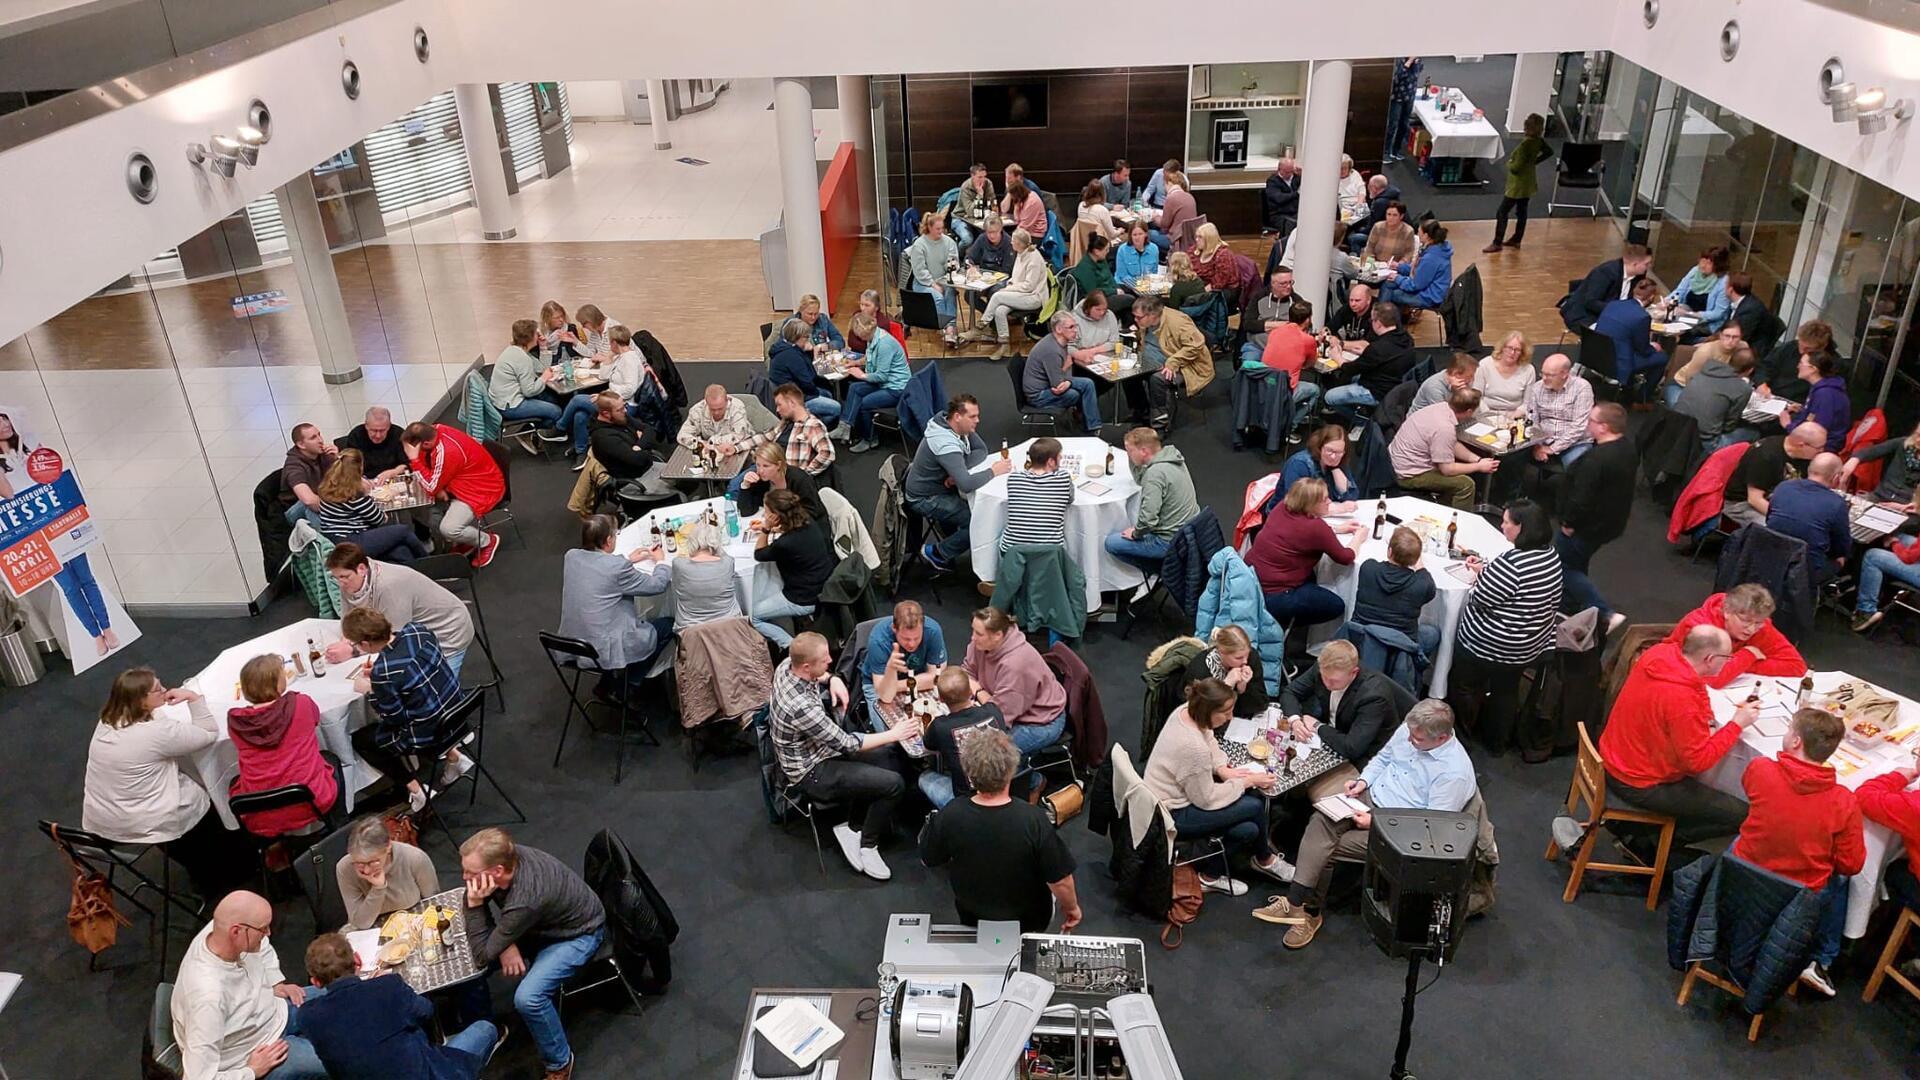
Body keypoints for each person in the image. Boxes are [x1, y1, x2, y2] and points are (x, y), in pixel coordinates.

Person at [1252, 700, 1475, 947]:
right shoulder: (1413, 728)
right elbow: (1384, 758)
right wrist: (1363, 782)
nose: (1410, 740)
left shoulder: (1453, 774)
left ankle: (1309, 914)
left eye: (1418, 740)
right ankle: (1295, 903)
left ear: (1442, 738)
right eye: (1410, 734)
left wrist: (1376, 822)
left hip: (1400, 830)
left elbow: (1430, 826)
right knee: (1321, 818)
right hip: (1371, 797)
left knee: (1328, 849)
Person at [84, 667, 254, 900]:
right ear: (141, 702)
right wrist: (193, 699)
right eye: (157, 690)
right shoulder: (156, 732)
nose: (164, 690)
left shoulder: (107, 721)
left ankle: (203, 871)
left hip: (110, 820)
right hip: (155, 819)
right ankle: (232, 873)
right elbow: (207, 733)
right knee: (203, 798)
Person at [1731, 707, 1862, 997]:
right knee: (1842, 880)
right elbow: (1851, 864)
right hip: (1797, 893)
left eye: (1790, 728)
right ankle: (1821, 959)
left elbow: (1753, 795)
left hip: (1744, 872)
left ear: (1796, 741)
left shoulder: (1760, 769)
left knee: (1740, 837)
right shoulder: (1844, 801)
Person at [459, 827, 608, 1080]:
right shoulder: (508, 859)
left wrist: (476, 906)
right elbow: (488, 944)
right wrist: (507, 942)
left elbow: (483, 953)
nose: (464, 877)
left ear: (496, 871)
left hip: (577, 934)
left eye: (471, 873)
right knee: (470, 956)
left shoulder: (526, 897)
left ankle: (560, 1062)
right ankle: (485, 1030)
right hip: (538, 925)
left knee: (528, 997)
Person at [770, 632, 919, 879]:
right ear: (807, 666)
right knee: (894, 784)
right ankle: (867, 844)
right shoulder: (801, 708)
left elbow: (822, 676)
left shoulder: (788, 665)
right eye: (824, 659)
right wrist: (896, 732)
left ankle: (853, 826)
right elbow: (848, 744)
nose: (831, 660)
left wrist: (832, 680)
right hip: (811, 772)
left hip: (823, 749)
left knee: (892, 758)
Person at [1598, 624, 1757, 845]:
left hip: (1616, 757)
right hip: (1640, 782)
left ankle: (1640, 833)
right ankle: (1647, 844)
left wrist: (1706, 717)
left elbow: (1697, 687)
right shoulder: (1681, 700)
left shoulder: (1660, 655)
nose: (1729, 661)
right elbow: (1698, 762)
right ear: (1710, 659)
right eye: (1727, 658)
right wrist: (1737, 725)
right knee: (1745, 814)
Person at [920, 728, 1081, 932]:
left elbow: (929, 858)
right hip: (1028, 919)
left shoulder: (950, 814)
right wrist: (1072, 908)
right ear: (1011, 770)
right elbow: (1060, 880)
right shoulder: (1033, 820)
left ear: (969, 772)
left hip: (972, 914)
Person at [1141, 677, 1291, 894]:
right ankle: (1264, 858)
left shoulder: (1186, 711)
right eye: (1226, 712)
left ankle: (1210, 875)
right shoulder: (1193, 749)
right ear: (1209, 710)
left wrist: (1222, 768)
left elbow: (1209, 737)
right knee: (1256, 805)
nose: (1230, 717)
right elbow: (1206, 799)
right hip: (1172, 812)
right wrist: (1245, 781)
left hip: (1163, 797)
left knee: (1248, 830)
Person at [295, 933, 498, 1080]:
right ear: (357, 959)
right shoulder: (387, 987)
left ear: (316, 982)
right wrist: (384, 986)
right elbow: (426, 1010)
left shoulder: (308, 1017)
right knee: (485, 1029)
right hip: (428, 1072)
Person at [172, 890, 330, 1080]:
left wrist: (276, 982)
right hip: (254, 1050)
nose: (268, 934)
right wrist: (251, 1071)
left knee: (348, 996)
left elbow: (262, 947)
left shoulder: (221, 929)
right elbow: (197, 1077)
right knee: (341, 1060)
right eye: (263, 929)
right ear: (236, 931)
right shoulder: (208, 998)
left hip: (274, 1010)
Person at [1447, 501, 1564, 756]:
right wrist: (1488, 573)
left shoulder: (1512, 563)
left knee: (1464, 684)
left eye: (1507, 522)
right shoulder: (1550, 555)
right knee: (1506, 691)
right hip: (1528, 645)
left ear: (1521, 528)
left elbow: (1480, 598)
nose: (1502, 525)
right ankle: (1496, 741)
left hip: (1490, 644)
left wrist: (1480, 577)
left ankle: (1462, 732)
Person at [341, 607, 468, 814]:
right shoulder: (417, 631)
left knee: (364, 740)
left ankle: (417, 790)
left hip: (432, 730)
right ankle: (454, 756)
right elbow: (417, 669)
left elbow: (394, 718)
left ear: (364, 644)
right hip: (457, 710)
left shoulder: (384, 672)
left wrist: (371, 690)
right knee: (423, 705)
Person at [558, 513, 673, 700]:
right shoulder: (617, 568)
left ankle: (607, 683)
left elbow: (599, 572)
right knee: (669, 625)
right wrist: (661, 561)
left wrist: (626, 560)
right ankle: (629, 685)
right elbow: (657, 585)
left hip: (574, 643)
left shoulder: (571, 557)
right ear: (609, 540)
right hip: (603, 647)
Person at [226, 654, 339, 837]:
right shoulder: (301, 703)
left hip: (260, 811)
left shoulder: (236, 722)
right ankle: (340, 822)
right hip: (312, 800)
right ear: (279, 684)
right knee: (331, 759)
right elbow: (315, 719)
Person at [1248, 478, 1366, 653]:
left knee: (1313, 578)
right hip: (1277, 594)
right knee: (1336, 606)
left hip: (1252, 579)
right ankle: (1275, 624)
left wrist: (1337, 529)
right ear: (1310, 504)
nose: (1329, 502)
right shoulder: (1315, 528)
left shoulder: (1282, 508)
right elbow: (1345, 557)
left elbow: (1300, 533)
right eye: (1324, 500)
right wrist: (1359, 537)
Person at [323, 543, 474, 676]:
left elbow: (392, 640)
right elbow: (348, 620)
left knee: (433, 695)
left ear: (361, 569)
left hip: (447, 632)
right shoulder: (349, 579)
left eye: (344, 577)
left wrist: (352, 651)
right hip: (415, 632)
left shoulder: (389, 586)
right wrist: (347, 641)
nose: (340, 583)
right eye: (336, 578)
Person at [906, 395, 1010, 571]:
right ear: (957, 417)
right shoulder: (945, 443)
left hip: (937, 488)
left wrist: (957, 470)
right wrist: (994, 471)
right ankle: (938, 553)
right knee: (978, 520)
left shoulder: (952, 425)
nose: (977, 421)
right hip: (925, 498)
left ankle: (950, 542)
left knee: (977, 510)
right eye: (972, 417)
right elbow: (967, 484)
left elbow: (981, 450)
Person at [1555, 403, 1638, 627]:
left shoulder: (1596, 460)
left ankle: (1604, 612)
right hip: (1608, 523)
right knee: (1577, 562)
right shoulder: (1627, 448)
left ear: (1603, 427)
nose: (1587, 424)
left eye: (1591, 420)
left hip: (1584, 526)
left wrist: (1568, 522)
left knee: (1563, 566)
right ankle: (1568, 607)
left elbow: (1581, 497)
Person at [1277, 639, 1404, 776]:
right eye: (1324, 677)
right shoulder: (1323, 669)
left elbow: (1352, 748)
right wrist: (1295, 720)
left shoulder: (1374, 696)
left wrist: (1317, 726)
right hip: (1334, 735)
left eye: (1334, 681)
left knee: (1298, 772)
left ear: (1354, 673)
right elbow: (1290, 692)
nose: (1327, 684)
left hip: (1367, 757)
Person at [963, 607, 1069, 764]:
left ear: (997, 635)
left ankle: (1033, 782)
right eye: (973, 631)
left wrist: (978, 690)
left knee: (991, 755)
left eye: (979, 634)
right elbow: (966, 672)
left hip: (1041, 721)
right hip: (1009, 708)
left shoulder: (1015, 665)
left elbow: (998, 717)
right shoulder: (980, 644)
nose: (973, 638)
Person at [400, 421, 504, 567]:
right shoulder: (435, 430)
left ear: (426, 444)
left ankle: (486, 541)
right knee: (417, 507)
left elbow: (431, 487)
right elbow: (433, 481)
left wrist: (414, 460)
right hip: (460, 483)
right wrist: (438, 485)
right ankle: (463, 539)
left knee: (449, 529)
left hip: (480, 491)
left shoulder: (447, 451)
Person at [1663, 584, 1808, 688]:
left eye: (1758, 623)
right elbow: (1713, 678)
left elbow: (1796, 666)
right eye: (1745, 621)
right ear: (1727, 611)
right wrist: (1748, 655)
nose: (1751, 629)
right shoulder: (1702, 629)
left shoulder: (1761, 626)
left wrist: (1738, 665)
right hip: (1671, 679)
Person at [1104, 426, 1200, 574]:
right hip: (1189, 530)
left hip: (1169, 540)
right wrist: (1132, 456)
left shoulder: (1154, 474)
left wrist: (1135, 533)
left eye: (1130, 451)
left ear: (1143, 451)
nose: (1128, 454)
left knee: (1111, 543)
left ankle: (1157, 571)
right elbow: (1140, 479)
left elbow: (1148, 520)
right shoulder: (1172, 457)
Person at [489, 319, 595, 455]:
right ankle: (535, 432)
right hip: (511, 405)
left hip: (503, 399)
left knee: (551, 398)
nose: (539, 334)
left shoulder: (515, 351)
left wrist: (543, 347)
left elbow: (541, 368)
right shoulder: (522, 358)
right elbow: (529, 391)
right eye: (536, 333)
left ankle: (537, 430)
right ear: (531, 337)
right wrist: (544, 378)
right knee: (555, 411)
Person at [746, 489, 836, 645]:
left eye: (767, 513)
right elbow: (789, 529)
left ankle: (790, 645)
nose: (764, 516)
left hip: (802, 598)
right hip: (821, 584)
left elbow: (759, 554)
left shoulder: (786, 544)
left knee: (754, 616)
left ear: (776, 516)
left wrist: (766, 529)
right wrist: (771, 527)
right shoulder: (807, 521)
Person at [1388, 387, 1498, 509]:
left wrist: (1476, 460)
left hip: (1399, 461)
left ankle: (1443, 506)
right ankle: (1459, 521)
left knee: (1463, 468)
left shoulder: (1440, 408)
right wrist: (1478, 467)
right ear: (1469, 411)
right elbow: (1447, 470)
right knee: (1466, 484)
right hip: (1408, 474)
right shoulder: (1444, 428)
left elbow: (1450, 444)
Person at [918, 667, 1011, 808]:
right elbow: (990, 702)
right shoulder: (993, 711)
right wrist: (979, 691)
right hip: (1002, 790)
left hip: (967, 802)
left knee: (924, 777)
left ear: (941, 699)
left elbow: (927, 747)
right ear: (970, 692)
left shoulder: (940, 726)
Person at [313, 450, 429, 563]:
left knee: (402, 551)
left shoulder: (328, 485)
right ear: (359, 468)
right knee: (404, 530)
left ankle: (419, 572)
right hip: (352, 540)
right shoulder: (355, 492)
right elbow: (379, 520)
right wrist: (369, 495)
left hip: (335, 538)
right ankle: (429, 563)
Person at [1350, 526, 1442, 657]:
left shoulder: (1368, 568)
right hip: (1399, 645)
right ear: (1416, 559)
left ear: (1389, 551)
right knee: (1432, 633)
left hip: (1362, 636)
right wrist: (1417, 559)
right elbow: (1425, 579)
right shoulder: (1422, 584)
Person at [335, 816, 438, 931]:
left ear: (388, 846)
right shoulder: (345, 868)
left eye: (372, 862)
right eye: (359, 863)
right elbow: (360, 923)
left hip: (415, 923)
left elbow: (434, 902)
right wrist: (378, 888)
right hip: (371, 931)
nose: (367, 871)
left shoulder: (414, 858)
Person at [862, 599, 950, 730]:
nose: (912, 644)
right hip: (876, 684)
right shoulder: (879, 640)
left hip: (913, 677)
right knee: (888, 735)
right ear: (894, 629)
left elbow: (937, 677)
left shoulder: (932, 631)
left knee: (940, 719)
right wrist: (891, 669)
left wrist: (895, 686)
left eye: (917, 638)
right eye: (906, 639)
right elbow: (885, 696)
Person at [1765, 451, 1852, 583]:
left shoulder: (1783, 487)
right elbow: (1840, 549)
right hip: (1806, 571)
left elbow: (1769, 519)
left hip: (1770, 558)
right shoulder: (1837, 504)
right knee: (1841, 559)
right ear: (1836, 478)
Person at [1128, 295, 1213, 429]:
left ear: (1153, 314)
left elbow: (1196, 345)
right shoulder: (1146, 323)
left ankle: (1160, 424)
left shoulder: (1178, 322)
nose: (1135, 320)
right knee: (1129, 374)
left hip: (1185, 365)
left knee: (1158, 379)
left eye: (1139, 317)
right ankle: (1142, 412)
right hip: (1152, 359)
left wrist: (1173, 362)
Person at [1721, 422, 1825, 527]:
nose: (1822, 451)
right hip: (1742, 503)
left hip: (1774, 498)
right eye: (1819, 448)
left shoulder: (1802, 455)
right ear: (1801, 445)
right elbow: (1754, 499)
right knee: (1782, 531)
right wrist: (1786, 519)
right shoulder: (1765, 456)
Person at [1323, 302, 1417, 416]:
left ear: (1378, 323)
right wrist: (1366, 354)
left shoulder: (1377, 348)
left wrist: (1337, 357)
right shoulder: (1406, 338)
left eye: (1372, 320)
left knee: (1329, 397)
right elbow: (1384, 357)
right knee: (1350, 380)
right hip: (1396, 386)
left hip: (1377, 392)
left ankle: (1361, 421)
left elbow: (1350, 369)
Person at [837, 314, 911, 453]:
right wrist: (856, 363)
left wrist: (861, 375)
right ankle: (844, 427)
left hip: (896, 388)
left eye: (860, 336)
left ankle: (870, 439)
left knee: (865, 403)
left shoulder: (885, 344)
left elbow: (882, 376)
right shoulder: (874, 337)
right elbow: (869, 357)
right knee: (854, 388)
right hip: (885, 383)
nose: (859, 339)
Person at [1520, 352, 1595, 480]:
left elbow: (1578, 426)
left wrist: (1552, 449)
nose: (1544, 378)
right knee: (1514, 458)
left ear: (1565, 374)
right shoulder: (1537, 388)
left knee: (1578, 471)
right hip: (1543, 439)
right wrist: (1537, 445)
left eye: (1549, 375)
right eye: (1542, 373)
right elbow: (1532, 420)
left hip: (1575, 443)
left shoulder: (1582, 388)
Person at [1486, 113, 1554, 251]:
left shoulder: (1524, 146)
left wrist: (1509, 164)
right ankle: (1517, 238)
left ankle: (1497, 242)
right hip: (1528, 183)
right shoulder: (1538, 141)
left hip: (1517, 185)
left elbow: (1516, 168)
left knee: (1502, 212)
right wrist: (1534, 162)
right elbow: (1549, 152)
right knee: (1521, 212)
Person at [1024, 313, 1102, 432]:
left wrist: (1068, 378)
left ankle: (1093, 426)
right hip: (1039, 395)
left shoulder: (1060, 342)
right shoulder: (1052, 351)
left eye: (1075, 326)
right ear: (1059, 329)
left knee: (1088, 383)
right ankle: (1090, 425)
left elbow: (1065, 372)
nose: (1075, 330)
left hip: (1049, 384)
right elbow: (1058, 385)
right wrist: (1068, 378)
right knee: (1074, 394)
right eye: (1071, 327)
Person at [669, 522, 751, 634]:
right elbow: (723, 554)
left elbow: (676, 584)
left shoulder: (679, 564)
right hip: (730, 624)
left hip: (690, 630)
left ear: (691, 542)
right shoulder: (728, 562)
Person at [1673, 343, 1758, 451]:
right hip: (1704, 443)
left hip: (1677, 428)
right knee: (1754, 433)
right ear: (1750, 370)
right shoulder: (1743, 389)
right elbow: (1728, 426)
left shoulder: (1708, 369)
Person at [981, 228, 1049, 360]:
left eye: (1013, 241)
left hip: (1033, 297)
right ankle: (1004, 346)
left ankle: (982, 324)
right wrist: (1011, 284)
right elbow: (1016, 276)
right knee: (1000, 311)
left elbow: (1029, 286)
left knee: (997, 296)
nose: (1011, 243)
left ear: (1020, 244)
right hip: (1021, 293)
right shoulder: (1020, 253)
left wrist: (1008, 289)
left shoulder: (1033, 258)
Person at [1001, 437, 1076, 553]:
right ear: (1051, 462)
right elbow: (1070, 499)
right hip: (1050, 553)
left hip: (1012, 553)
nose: (1061, 459)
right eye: (1059, 456)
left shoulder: (1014, 478)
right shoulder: (1063, 478)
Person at [1253, 299, 1323, 419]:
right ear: (1307, 320)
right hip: (1285, 389)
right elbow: (1310, 364)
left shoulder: (1275, 332)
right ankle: (1291, 426)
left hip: (1265, 383)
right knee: (1315, 390)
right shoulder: (1308, 340)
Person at [1771, 350, 1851, 451]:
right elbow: (1815, 415)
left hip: (1821, 448)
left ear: (1813, 369)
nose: (1797, 366)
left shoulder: (1825, 395)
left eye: (1801, 363)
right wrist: (1804, 410)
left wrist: (1788, 425)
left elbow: (1816, 433)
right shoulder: (1821, 387)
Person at [766, 319, 843, 425]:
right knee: (836, 408)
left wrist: (809, 352)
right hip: (797, 398)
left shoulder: (783, 348)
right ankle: (812, 428)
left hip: (793, 392)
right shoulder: (792, 356)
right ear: (798, 337)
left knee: (827, 393)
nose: (808, 340)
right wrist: (816, 393)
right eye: (806, 337)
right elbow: (809, 379)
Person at [1561, 243, 1652, 331]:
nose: (1648, 267)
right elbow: (1591, 302)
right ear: (1634, 264)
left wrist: (1645, 303)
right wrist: (1618, 311)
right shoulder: (1605, 273)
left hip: (1614, 317)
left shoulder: (1639, 276)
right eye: (1646, 264)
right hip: (1586, 315)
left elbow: (1635, 299)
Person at [1594, 278, 1666, 386]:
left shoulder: (1613, 304)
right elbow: (1643, 349)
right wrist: (1653, 347)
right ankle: (1642, 398)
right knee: (1662, 357)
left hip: (1596, 356)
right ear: (1651, 297)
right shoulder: (1642, 317)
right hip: (1619, 364)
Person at [1186, 624, 1270, 716]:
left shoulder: (1251, 658)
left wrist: (1242, 689)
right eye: (1238, 658)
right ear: (1221, 652)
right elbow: (1199, 713)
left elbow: (1262, 703)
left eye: (1247, 655)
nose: (1245, 661)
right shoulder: (1200, 670)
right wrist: (1226, 686)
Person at [906, 213, 962, 345]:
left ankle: (950, 329)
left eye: (942, 228)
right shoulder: (919, 245)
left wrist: (951, 267)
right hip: (923, 283)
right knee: (937, 296)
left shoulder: (949, 242)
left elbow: (955, 262)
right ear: (929, 228)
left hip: (944, 280)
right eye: (938, 229)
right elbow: (919, 271)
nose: (941, 231)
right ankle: (945, 327)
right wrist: (932, 284)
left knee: (950, 292)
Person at [733, 442, 826, 520]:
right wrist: (745, 485)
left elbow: (811, 514)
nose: (760, 470)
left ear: (778, 465)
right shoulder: (761, 479)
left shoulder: (800, 479)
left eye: (766, 466)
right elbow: (746, 511)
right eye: (758, 465)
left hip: (807, 528)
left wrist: (779, 521)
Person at [586, 390, 663, 483]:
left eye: (624, 406)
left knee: (682, 475)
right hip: (635, 480)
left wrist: (638, 446)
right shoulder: (604, 437)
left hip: (648, 466)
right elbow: (637, 460)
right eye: (620, 409)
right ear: (606, 414)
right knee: (679, 490)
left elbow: (649, 429)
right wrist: (646, 447)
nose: (625, 411)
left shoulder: (620, 417)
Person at [1280, 424, 1361, 510]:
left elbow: (1352, 497)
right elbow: (1296, 504)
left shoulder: (1338, 462)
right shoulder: (1299, 464)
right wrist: (1337, 509)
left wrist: (1335, 468)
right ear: (1319, 447)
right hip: (1289, 516)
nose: (1333, 456)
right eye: (1330, 450)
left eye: (1339, 452)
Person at [678, 383, 771, 459]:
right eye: (713, 409)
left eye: (720, 408)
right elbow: (682, 436)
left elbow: (739, 435)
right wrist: (701, 444)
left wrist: (712, 442)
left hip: (740, 448)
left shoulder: (737, 408)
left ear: (727, 401)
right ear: (706, 402)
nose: (717, 412)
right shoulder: (697, 410)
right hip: (710, 452)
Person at [1842, 419, 1920, 509]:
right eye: (1917, 435)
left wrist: (1906, 507)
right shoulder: (1903, 443)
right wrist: (1854, 460)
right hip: (1879, 497)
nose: (1918, 440)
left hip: (1908, 506)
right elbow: (1873, 451)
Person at [767, 382, 835, 482]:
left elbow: (827, 453)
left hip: (789, 482)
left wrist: (803, 476)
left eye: (779, 405)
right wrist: (738, 447)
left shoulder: (812, 425)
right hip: (772, 472)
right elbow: (766, 436)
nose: (777, 410)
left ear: (792, 403)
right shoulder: (785, 423)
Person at [1754, 319, 1834, 404]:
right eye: (1800, 345)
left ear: (1822, 347)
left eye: (1808, 349)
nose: (1801, 351)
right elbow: (1765, 366)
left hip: (1797, 404)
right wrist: (1761, 383)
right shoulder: (1790, 347)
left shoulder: (1832, 363)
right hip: (1770, 396)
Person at [1665, 322, 1748, 402]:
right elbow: (1690, 379)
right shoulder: (1706, 351)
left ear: (1741, 337)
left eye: (1735, 337)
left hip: (1717, 387)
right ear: (1720, 335)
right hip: (1682, 385)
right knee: (1683, 412)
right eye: (1727, 336)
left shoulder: (1743, 348)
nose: (1730, 340)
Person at [1381, 220, 1451, 311]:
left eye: (1419, 232)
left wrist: (1397, 278)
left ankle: (1384, 319)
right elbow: (1420, 270)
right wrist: (1399, 267)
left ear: (1426, 236)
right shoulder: (1438, 249)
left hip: (1430, 297)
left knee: (1392, 294)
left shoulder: (1431, 257)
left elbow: (1415, 285)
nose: (1417, 234)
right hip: (1432, 290)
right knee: (1389, 284)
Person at [281, 421, 341, 526]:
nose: (321, 440)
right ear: (301, 444)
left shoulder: (322, 454)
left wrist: (338, 459)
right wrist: (338, 510)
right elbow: (308, 500)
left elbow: (347, 480)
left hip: (321, 499)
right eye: (313, 438)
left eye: (319, 435)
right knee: (310, 507)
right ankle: (328, 540)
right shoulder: (294, 466)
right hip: (295, 509)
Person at [1663, 245, 1732, 334]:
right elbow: (1679, 291)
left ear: (1718, 265)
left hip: (1706, 323)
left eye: (1709, 263)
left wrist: (1692, 315)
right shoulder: (1695, 271)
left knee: (1673, 330)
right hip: (1686, 313)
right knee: (1663, 318)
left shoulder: (1724, 282)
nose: (1703, 265)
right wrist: (1667, 301)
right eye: (1702, 261)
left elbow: (1718, 313)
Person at [1471, 330, 1538, 421]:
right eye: (1509, 348)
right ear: (1502, 348)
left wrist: (1515, 414)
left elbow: (1528, 402)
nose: (1512, 353)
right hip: (1486, 414)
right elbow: (1476, 397)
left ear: (1522, 352)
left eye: (1517, 350)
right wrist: (1490, 415)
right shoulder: (1484, 365)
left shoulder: (1529, 370)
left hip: (1514, 416)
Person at [336, 406, 409, 480]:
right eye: (373, 430)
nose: (378, 435)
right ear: (366, 426)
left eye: (382, 430)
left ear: (389, 426)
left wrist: (394, 472)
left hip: (393, 478)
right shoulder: (356, 435)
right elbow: (350, 465)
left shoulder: (399, 434)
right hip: (365, 480)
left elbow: (407, 463)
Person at [1069, 235, 1129, 322]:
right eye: (1106, 250)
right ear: (1096, 251)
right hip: (1096, 300)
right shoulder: (1085, 268)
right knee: (1130, 299)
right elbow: (1093, 292)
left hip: (1107, 291)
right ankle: (1127, 325)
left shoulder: (1101, 260)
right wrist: (1114, 291)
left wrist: (1117, 288)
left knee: (1130, 290)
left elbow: (1110, 277)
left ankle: (1127, 326)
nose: (1108, 252)